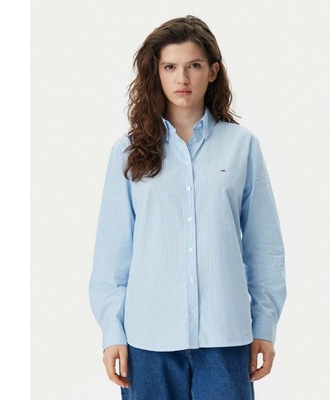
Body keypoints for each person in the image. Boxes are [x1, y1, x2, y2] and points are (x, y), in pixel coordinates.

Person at [89, 15, 286, 400]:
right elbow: (112, 254)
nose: (182, 78)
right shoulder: (127, 152)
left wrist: (264, 325)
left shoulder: (241, 146)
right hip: (148, 340)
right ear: (157, 73)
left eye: (194, 65)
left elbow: (264, 248)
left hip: (225, 337)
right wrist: (113, 331)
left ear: (212, 72)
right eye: (170, 67)